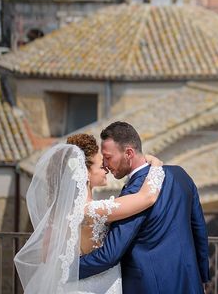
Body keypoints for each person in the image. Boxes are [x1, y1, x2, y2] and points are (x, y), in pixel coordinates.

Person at [14, 133, 165, 294]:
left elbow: (47, 258)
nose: (106, 169)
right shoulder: (92, 210)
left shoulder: (60, 214)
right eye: (101, 166)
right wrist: (156, 165)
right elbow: (148, 197)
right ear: (85, 173)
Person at [78, 121, 210, 294]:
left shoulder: (132, 195)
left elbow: (110, 254)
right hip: (189, 282)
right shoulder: (180, 175)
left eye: (108, 158)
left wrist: (62, 271)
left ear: (129, 153)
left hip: (148, 286)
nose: (106, 166)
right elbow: (199, 230)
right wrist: (202, 277)